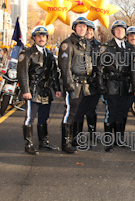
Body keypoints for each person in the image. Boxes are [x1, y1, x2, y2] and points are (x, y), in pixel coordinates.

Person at [18, 26, 61, 155]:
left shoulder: (50, 54)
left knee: (44, 117)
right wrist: (26, 90)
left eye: (44, 36)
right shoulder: (26, 53)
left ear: (47, 38)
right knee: (30, 118)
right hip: (33, 90)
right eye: (39, 36)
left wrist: (57, 89)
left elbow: (54, 74)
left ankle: (43, 142)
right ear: (34, 38)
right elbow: (22, 74)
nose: (41, 38)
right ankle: (29, 144)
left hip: (46, 91)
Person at [58, 17, 94, 154]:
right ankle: (65, 142)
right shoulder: (67, 44)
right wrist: (69, 85)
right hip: (73, 83)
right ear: (74, 28)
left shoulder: (86, 43)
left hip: (84, 84)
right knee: (70, 113)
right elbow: (65, 67)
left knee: (80, 113)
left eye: (84, 27)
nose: (82, 29)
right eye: (79, 27)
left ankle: (75, 139)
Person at [97, 20, 133, 151]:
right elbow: (99, 69)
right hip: (111, 85)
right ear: (113, 32)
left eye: (122, 30)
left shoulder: (128, 47)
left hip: (124, 86)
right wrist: (101, 86)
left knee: (121, 113)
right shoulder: (106, 47)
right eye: (117, 30)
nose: (120, 32)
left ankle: (119, 140)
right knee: (111, 114)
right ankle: (108, 141)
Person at [73, 20, 101, 148]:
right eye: (87, 29)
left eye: (91, 30)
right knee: (79, 110)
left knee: (91, 109)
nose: (89, 32)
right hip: (81, 83)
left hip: (94, 83)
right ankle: (77, 136)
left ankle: (92, 132)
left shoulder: (99, 46)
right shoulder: (79, 44)